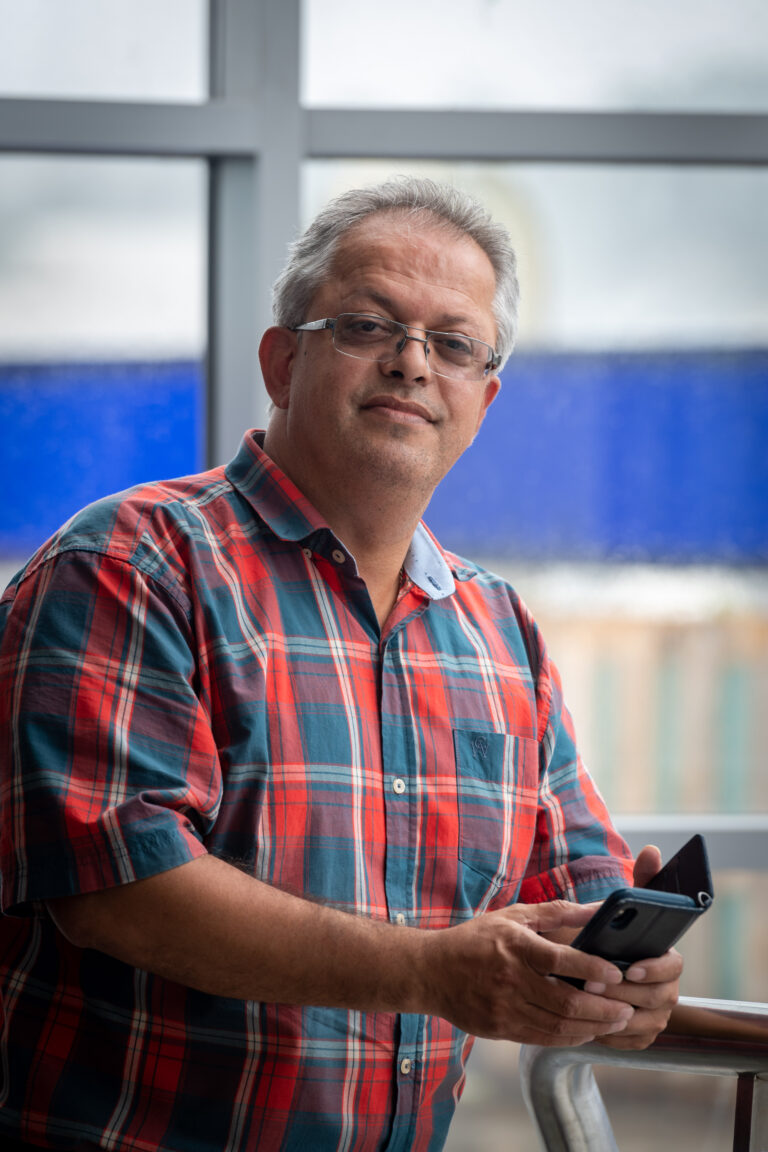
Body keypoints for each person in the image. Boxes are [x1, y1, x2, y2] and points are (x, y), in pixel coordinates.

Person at [0, 177, 681, 1152]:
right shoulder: (131, 563)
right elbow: (117, 893)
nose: (412, 363)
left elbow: (572, 879)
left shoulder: (502, 630)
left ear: (482, 401)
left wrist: (622, 973)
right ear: (282, 361)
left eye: (452, 343)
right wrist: (428, 971)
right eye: (368, 324)